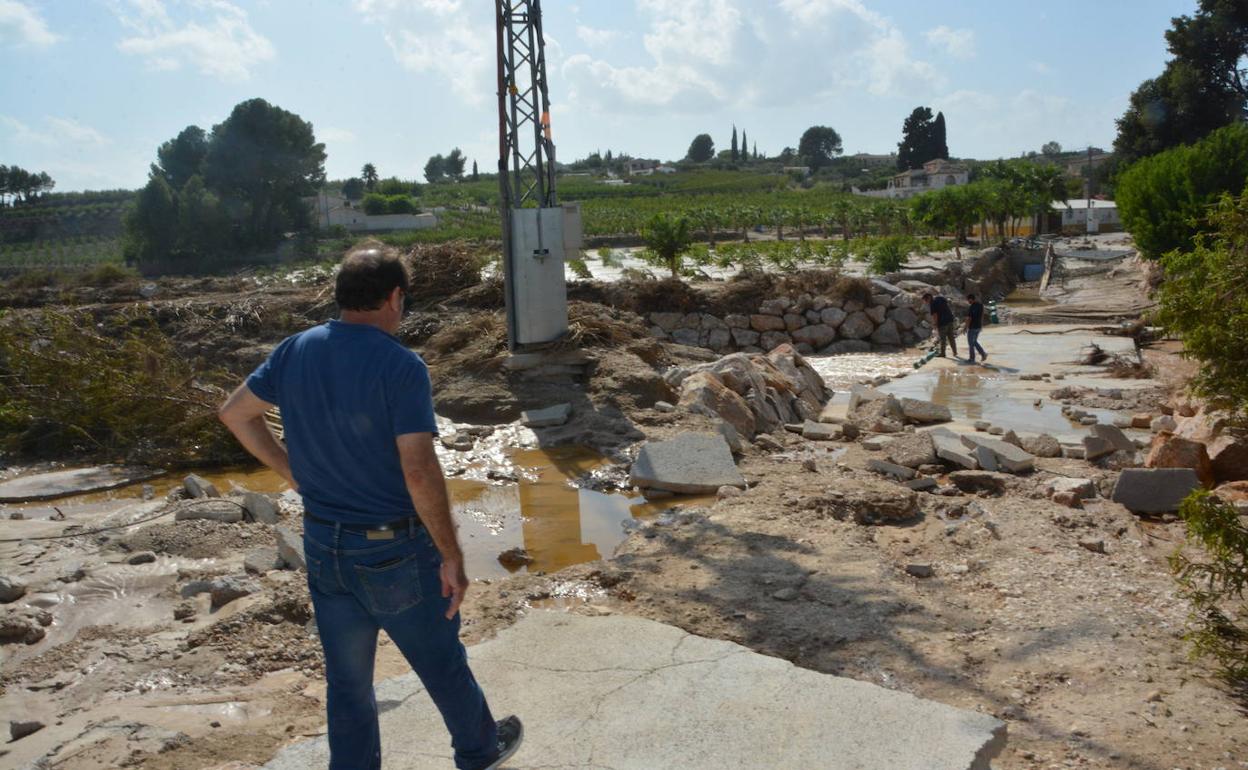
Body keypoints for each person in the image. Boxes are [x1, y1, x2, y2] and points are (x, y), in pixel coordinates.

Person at [218, 243, 522, 770]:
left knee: (348, 682)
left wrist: (293, 472)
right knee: (441, 661)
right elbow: (419, 470)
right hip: (392, 550)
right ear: (395, 298)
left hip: (323, 544)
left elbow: (234, 414)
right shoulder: (401, 366)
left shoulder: (295, 350)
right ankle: (478, 749)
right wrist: (451, 553)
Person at [923, 292, 958, 358]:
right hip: (950, 320)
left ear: (929, 298)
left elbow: (935, 315)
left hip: (942, 323)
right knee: (951, 337)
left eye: (925, 300)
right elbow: (947, 305)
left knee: (943, 339)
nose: (926, 302)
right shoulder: (940, 298)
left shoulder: (932, 303)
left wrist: (935, 324)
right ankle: (955, 352)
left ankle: (943, 353)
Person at [964, 293, 988, 364]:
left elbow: (969, 318)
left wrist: (965, 327)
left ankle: (973, 358)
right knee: (974, 342)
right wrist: (981, 324)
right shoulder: (980, 305)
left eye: (968, 300)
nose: (968, 301)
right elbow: (982, 315)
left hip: (972, 327)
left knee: (971, 343)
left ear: (971, 299)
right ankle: (982, 354)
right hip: (978, 326)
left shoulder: (972, 307)